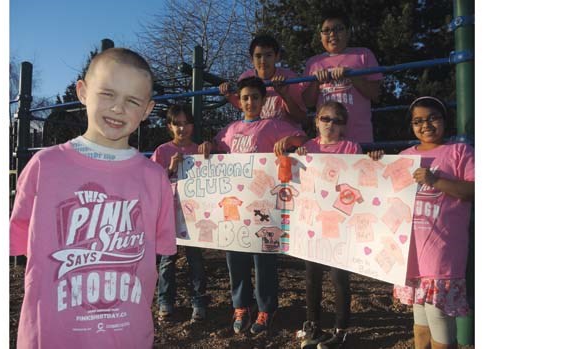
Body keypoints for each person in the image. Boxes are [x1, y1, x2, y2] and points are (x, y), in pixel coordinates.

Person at [9, 48, 177, 349]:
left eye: (132, 101)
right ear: (83, 92)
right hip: (51, 337)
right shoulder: (44, 166)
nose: (118, 108)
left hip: (127, 337)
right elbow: (17, 240)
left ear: (148, 110)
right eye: (108, 94)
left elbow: (163, 246)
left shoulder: (155, 179)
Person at [200, 76, 307, 335]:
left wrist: (290, 143)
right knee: (234, 257)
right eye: (245, 97)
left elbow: (303, 138)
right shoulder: (230, 129)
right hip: (234, 207)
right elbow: (216, 146)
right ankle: (240, 306)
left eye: (255, 97)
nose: (250, 102)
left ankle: (266, 308)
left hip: (265, 206)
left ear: (263, 100)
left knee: (264, 260)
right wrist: (208, 145)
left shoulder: (274, 125)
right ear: (240, 100)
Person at [368, 96, 474, 349]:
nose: (425, 125)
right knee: (419, 316)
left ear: (445, 119)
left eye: (433, 118)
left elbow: (473, 191)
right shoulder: (404, 156)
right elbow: (380, 192)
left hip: (443, 252)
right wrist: (376, 161)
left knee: (437, 313)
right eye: (418, 121)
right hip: (410, 253)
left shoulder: (459, 152)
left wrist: (435, 181)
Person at [285, 101, 362, 349]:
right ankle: (313, 325)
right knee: (312, 276)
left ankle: (341, 329)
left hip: (340, 225)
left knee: (340, 278)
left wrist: (372, 160)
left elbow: (360, 178)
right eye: (326, 119)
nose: (330, 124)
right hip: (313, 224)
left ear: (344, 126)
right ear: (316, 121)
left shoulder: (351, 148)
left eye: (337, 120)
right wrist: (296, 157)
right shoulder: (308, 147)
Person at [152, 104, 209, 322]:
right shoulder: (162, 151)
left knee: (196, 260)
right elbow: (152, 183)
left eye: (186, 124)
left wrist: (208, 151)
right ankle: (165, 302)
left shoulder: (199, 150)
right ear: (169, 127)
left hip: (194, 217)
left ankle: (199, 302)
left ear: (192, 126)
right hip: (169, 216)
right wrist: (169, 169)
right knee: (167, 261)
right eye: (177, 124)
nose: (182, 129)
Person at [302, 11, 383, 143]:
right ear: (320, 36)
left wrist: (352, 76)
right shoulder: (313, 63)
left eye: (338, 29)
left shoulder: (364, 54)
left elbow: (375, 94)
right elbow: (308, 102)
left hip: (360, 139)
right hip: (327, 141)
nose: (332, 34)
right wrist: (316, 82)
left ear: (348, 32)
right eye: (326, 30)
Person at [219, 34, 307, 126]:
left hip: (285, 136)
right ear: (251, 59)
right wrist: (229, 95)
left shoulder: (289, 78)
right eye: (258, 56)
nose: (263, 61)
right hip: (259, 135)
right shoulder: (246, 78)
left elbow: (301, 118)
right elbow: (243, 107)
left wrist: (284, 94)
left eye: (268, 55)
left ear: (277, 57)